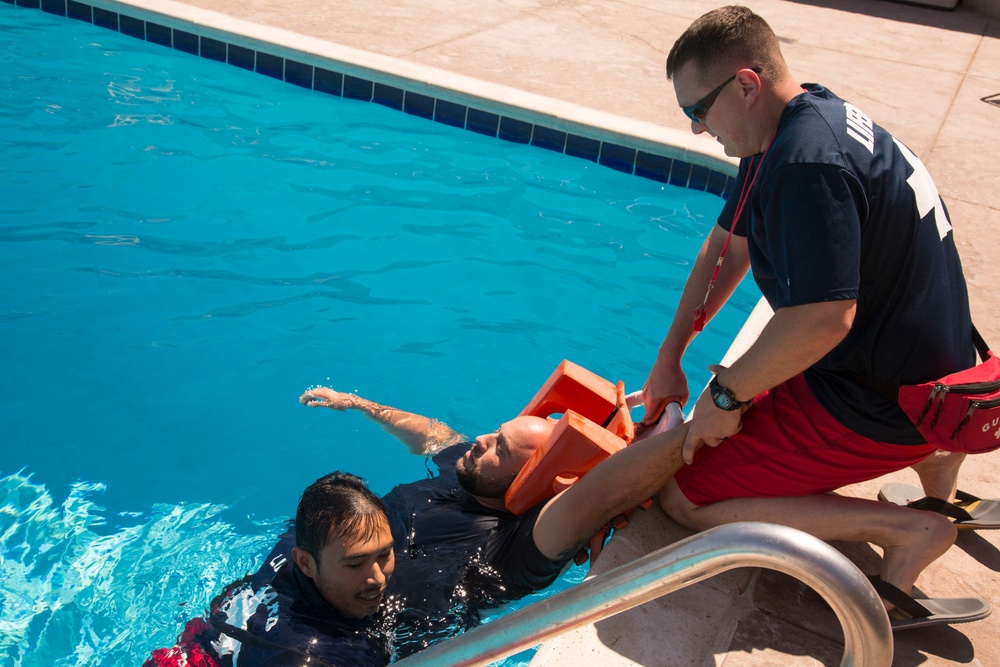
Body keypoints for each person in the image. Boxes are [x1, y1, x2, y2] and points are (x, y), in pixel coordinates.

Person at [642, 5, 987, 628]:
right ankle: (939, 472)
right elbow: (727, 249)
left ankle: (907, 530)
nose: (696, 130)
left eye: (698, 110)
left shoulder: (806, 164)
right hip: (943, 370)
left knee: (687, 495)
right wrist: (670, 358)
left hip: (882, 400)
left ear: (746, 84)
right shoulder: (802, 120)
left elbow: (824, 320)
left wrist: (725, 397)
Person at [299, 386, 687, 655]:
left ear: (531, 478)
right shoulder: (470, 470)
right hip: (318, 567)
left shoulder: (518, 544)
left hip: (352, 634)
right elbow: (434, 434)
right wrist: (357, 404)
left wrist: (699, 427)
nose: (481, 440)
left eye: (500, 447)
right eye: (498, 432)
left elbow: (599, 494)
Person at [143, 472, 396, 667]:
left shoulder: (306, 538)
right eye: (355, 564)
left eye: (384, 554)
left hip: (204, 637)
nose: (377, 577)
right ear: (305, 562)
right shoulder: (315, 655)